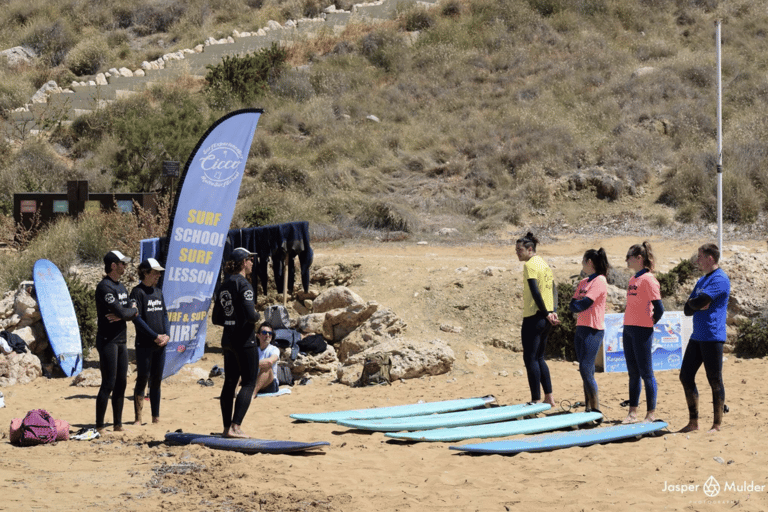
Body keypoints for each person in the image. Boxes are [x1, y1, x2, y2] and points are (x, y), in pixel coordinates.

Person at [679, 243, 730, 433]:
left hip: (713, 336)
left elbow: (698, 302)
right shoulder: (701, 281)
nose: (697, 260)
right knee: (685, 376)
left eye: (700, 256)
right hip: (697, 336)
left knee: (714, 380)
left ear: (710, 258)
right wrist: (696, 304)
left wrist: (696, 304)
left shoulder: (720, 279)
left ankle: (717, 425)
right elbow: (687, 309)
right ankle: (694, 422)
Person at [215, 247, 260, 438]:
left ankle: (226, 428)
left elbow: (216, 318)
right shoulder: (244, 285)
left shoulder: (224, 285)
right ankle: (236, 427)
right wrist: (257, 315)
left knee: (230, 382)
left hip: (228, 339)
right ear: (243, 262)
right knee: (249, 382)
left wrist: (231, 320)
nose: (252, 263)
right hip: (244, 340)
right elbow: (251, 316)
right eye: (250, 260)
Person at [95, 250, 138, 432]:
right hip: (107, 340)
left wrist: (128, 312)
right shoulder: (105, 287)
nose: (125, 266)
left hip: (121, 340)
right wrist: (128, 312)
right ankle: (100, 425)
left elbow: (129, 311)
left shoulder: (121, 287)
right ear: (113, 265)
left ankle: (117, 424)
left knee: (122, 382)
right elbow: (124, 312)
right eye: (122, 263)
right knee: (108, 383)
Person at [515, 232, 559, 407]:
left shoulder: (530, 265)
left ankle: (535, 399)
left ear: (529, 249)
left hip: (534, 316)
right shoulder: (543, 263)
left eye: (519, 250)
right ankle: (549, 397)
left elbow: (535, 291)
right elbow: (554, 289)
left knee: (530, 358)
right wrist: (552, 311)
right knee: (540, 357)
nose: (517, 253)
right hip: (546, 317)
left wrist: (546, 312)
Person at [623, 241, 664, 423]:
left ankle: (651, 414)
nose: (626, 260)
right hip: (628, 328)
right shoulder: (633, 279)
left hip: (642, 331)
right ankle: (632, 413)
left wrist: (650, 321)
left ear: (639, 258)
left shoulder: (649, 279)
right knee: (633, 373)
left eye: (629, 257)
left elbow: (659, 308)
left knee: (646, 373)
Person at [569, 248, 609, 413]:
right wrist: (578, 304)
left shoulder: (600, 280)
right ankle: (588, 408)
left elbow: (584, 303)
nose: (582, 264)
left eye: (583, 260)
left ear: (589, 262)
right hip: (581, 328)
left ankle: (596, 410)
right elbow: (573, 304)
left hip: (593, 329)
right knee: (585, 370)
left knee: (586, 369)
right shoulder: (583, 282)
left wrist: (578, 304)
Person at [130, 258, 170, 426]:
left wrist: (167, 335)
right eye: (155, 272)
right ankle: (138, 418)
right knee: (143, 378)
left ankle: (155, 417)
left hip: (161, 344)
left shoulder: (158, 292)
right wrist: (154, 335)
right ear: (145, 273)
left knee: (156, 380)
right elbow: (136, 318)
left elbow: (165, 315)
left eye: (159, 272)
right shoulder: (137, 292)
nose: (159, 275)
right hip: (145, 344)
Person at [253, 322, 280, 396]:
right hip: (256, 381)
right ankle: (233, 392)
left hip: (270, 384)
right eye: (264, 332)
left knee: (267, 366)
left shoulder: (274, 349)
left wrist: (251, 364)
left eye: (270, 333)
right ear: (258, 335)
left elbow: (270, 361)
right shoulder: (255, 350)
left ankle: (253, 394)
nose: (267, 335)